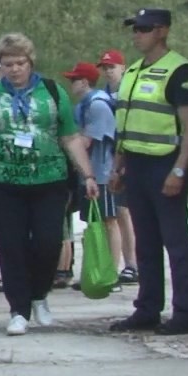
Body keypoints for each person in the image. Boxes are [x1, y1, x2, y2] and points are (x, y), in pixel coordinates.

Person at [0, 34, 99, 337]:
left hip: (49, 179)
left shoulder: (52, 91)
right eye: (8, 64)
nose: (15, 69)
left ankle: (39, 294)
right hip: (1, 181)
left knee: (48, 242)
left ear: (30, 62)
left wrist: (87, 174)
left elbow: (70, 137)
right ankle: (18, 310)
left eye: (20, 63)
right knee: (12, 247)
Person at [111, 7, 188, 336]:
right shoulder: (133, 70)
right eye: (135, 29)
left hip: (165, 164)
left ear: (162, 31)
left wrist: (179, 169)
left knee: (176, 243)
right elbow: (126, 122)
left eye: (144, 29)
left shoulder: (179, 71)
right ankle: (147, 308)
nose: (137, 35)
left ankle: (186, 313)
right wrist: (118, 166)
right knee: (146, 243)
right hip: (136, 165)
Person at [63, 62, 121, 289]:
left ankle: (112, 273)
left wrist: (66, 144)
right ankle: (95, 270)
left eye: (74, 80)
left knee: (108, 221)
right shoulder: (84, 105)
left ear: (85, 82)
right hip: (88, 174)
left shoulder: (97, 105)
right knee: (93, 223)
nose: (71, 85)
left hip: (101, 173)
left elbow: (88, 141)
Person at [97, 48, 139, 284]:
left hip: (126, 155)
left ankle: (131, 263)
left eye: (112, 67)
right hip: (109, 158)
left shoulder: (128, 92)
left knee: (124, 212)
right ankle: (119, 263)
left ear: (123, 68)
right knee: (115, 213)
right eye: (105, 68)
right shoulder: (103, 95)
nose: (108, 72)